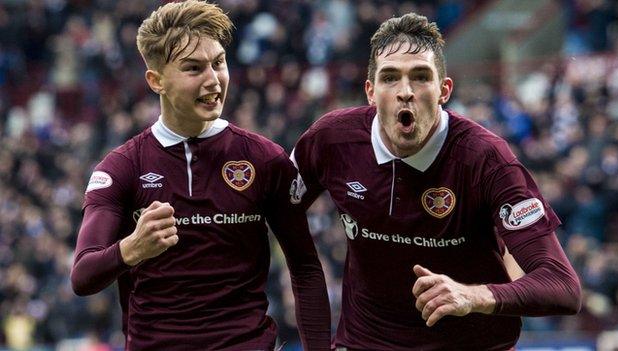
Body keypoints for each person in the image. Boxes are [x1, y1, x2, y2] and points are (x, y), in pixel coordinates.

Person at [291, 13, 581, 350]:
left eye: (420, 77)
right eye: (389, 78)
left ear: (444, 90)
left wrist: (473, 296)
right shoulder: (331, 141)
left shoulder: (485, 158)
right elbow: (271, 212)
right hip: (365, 343)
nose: (405, 92)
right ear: (370, 91)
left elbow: (562, 286)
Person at [70, 1, 330, 350]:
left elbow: (305, 268)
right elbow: (83, 275)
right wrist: (131, 248)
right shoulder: (122, 168)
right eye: (193, 68)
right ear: (156, 80)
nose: (213, 79)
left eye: (218, 63)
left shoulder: (265, 159)